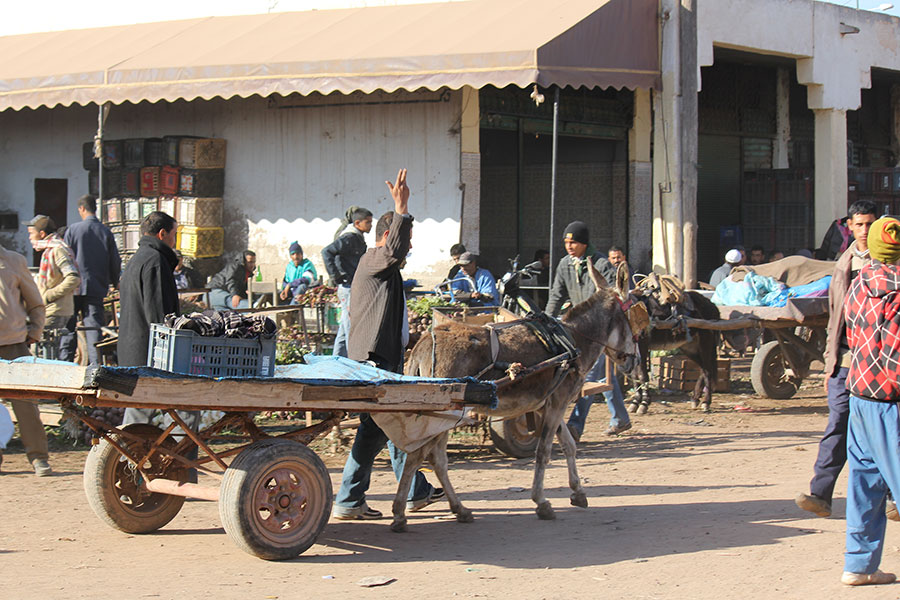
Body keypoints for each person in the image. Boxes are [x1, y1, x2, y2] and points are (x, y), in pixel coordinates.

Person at [333, 169, 442, 520]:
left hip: (380, 360)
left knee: (386, 427)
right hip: (375, 362)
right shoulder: (376, 259)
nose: (409, 248)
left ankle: (412, 491)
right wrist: (402, 207)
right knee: (382, 427)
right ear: (386, 237)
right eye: (405, 241)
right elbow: (395, 245)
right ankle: (352, 499)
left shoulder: (382, 269)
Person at [796, 201, 885, 519]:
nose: (864, 231)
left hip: (881, 364)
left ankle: (892, 496)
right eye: (858, 225)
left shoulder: (889, 261)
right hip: (846, 363)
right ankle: (821, 493)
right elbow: (836, 319)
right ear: (849, 226)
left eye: (869, 224)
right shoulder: (844, 264)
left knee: (885, 431)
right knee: (837, 426)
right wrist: (830, 363)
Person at [838, 215, 900, 586]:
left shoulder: (859, 283)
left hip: (860, 395)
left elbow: (850, 333)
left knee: (865, 485)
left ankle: (858, 567)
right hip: (893, 402)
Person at [119, 212, 201, 449]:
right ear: (162, 234)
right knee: (182, 410)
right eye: (174, 235)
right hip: (153, 354)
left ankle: (125, 464)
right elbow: (161, 317)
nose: (174, 241)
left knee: (137, 413)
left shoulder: (135, 260)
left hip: (132, 351)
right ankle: (179, 466)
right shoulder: (155, 261)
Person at [545, 221, 629, 439]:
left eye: (573, 242)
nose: (569, 246)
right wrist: (545, 318)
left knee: (589, 374)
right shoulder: (565, 264)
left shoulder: (601, 263)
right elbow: (556, 294)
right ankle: (621, 418)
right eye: (566, 242)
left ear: (584, 243)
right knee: (601, 375)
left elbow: (614, 294)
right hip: (577, 328)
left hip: (601, 328)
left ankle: (575, 426)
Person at [0, 244, 50, 476]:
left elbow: (36, 303)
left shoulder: (13, 261)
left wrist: (34, 332)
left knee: (26, 406)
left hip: (14, 345)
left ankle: (39, 458)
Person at [61, 194, 121, 365]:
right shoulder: (105, 231)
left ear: (81, 208)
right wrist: (115, 280)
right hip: (95, 287)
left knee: (68, 328)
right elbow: (114, 261)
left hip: (73, 288)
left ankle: (65, 365)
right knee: (94, 328)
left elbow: (65, 256)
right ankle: (95, 367)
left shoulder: (73, 229)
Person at [322, 206, 373, 357]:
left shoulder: (357, 237)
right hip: (347, 286)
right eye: (368, 222)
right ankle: (353, 360)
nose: (370, 225)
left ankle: (337, 359)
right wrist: (335, 276)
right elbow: (327, 252)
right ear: (357, 223)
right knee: (351, 325)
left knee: (345, 329)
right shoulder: (349, 238)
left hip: (352, 285)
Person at [27, 215, 81, 357]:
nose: (30, 238)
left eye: (31, 234)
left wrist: (48, 296)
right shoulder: (50, 249)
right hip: (53, 309)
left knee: (37, 347)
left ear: (42, 234)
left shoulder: (57, 249)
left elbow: (73, 278)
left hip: (56, 310)